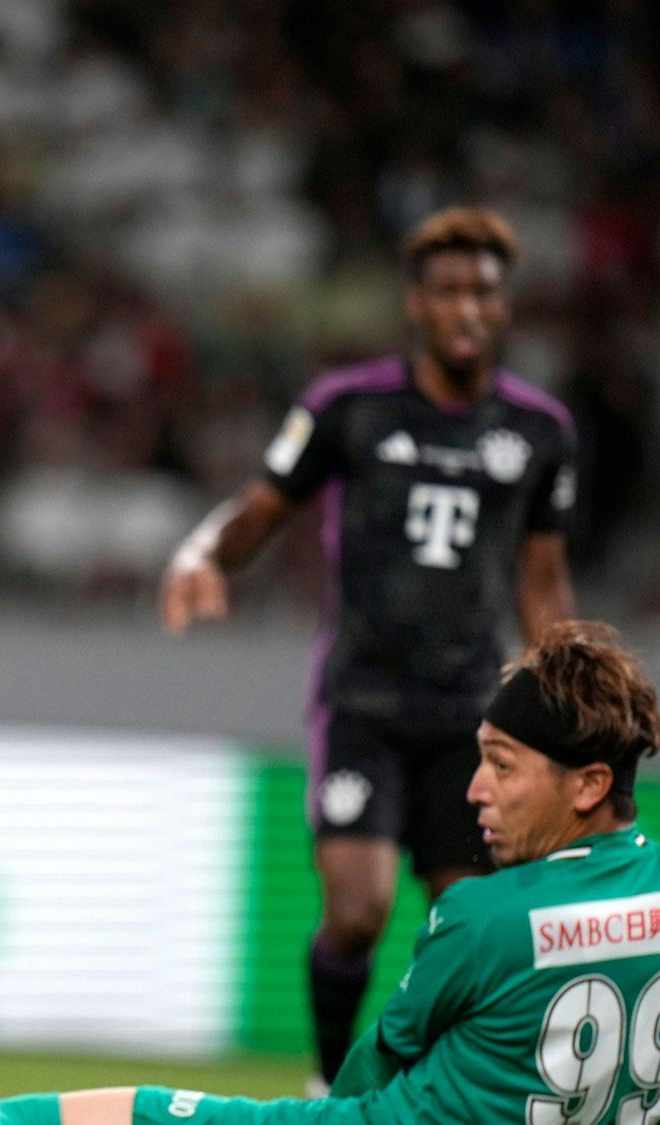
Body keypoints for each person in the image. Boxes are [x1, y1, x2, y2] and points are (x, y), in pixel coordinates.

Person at [0, 621, 660, 1124]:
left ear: (587, 784)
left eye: (503, 764)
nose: (474, 790)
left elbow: (367, 1081)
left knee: (5, 1122)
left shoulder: (487, 914)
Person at [159, 207, 576, 1086]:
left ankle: (441, 1092)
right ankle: (329, 1088)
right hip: (363, 702)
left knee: (465, 922)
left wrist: (564, 688)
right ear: (416, 305)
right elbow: (265, 507)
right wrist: (203, 552)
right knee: (358, 909)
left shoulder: (541, 433)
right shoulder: (349, 408)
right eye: (450, 291)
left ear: (506, 310)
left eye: (485, 294)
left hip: (474, 713)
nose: (468, 309)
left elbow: (542, 579)